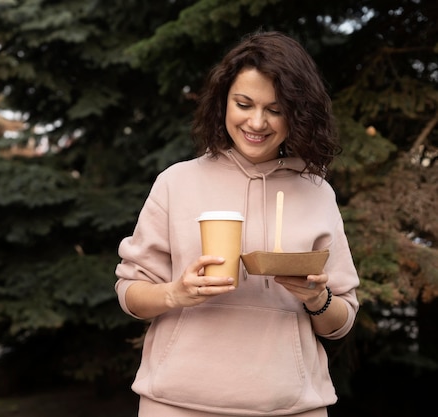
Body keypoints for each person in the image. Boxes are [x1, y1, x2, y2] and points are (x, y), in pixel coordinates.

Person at [114, 31, 360, 417]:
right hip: (176, 404)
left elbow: (340, 319)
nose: (257, 122)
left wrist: (316, 299)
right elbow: (129, 291)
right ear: (222, 101)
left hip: (293, 408)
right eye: (243, 104)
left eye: (275, 110)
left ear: (297, 113)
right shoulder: (176, 182)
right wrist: (175, 293)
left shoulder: (317, 193)